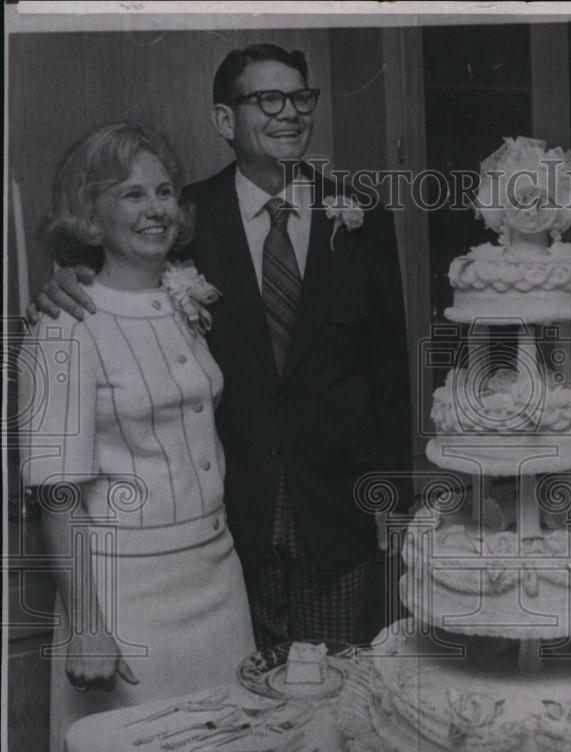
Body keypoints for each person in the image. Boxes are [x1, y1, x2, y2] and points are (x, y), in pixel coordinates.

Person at [32, 43, 413, 648]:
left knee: (337, 701)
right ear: (224, 121)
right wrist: (60, 281)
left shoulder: (362, 216)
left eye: (300, 98)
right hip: (230, 525)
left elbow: (391, 373)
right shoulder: (186, 219)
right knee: (242, 718)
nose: (289, 113)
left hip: (340, 516)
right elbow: (115, 269)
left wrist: (395, 506)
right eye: (267, 98)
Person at [20, 122, 256, 752]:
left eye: (163, 192)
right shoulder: (64, 323)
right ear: (88, 215)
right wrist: (88, 627)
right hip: (128, 599)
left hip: (216, 578)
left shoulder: (184, 298)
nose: (155, 208)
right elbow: (55, 491)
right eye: (129, 194)